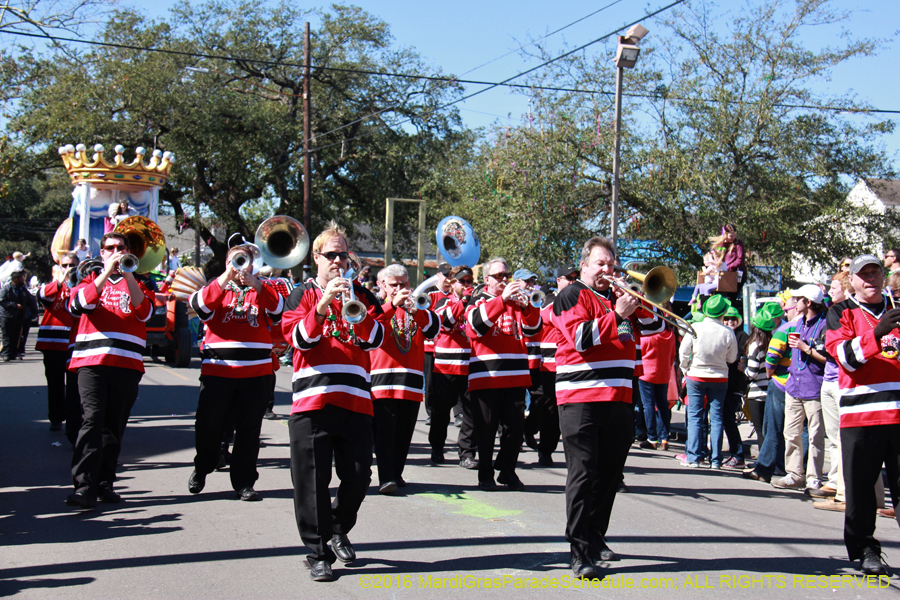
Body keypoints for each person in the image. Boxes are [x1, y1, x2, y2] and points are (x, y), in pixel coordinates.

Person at [280, 221, 385, 582]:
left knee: (358, 478)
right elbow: (298, 338)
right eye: (332, 255)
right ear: (317, 258)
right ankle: (317, 552)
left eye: (343, 255)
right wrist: (324, 305)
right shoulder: (300, 294)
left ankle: (338, 527)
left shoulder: (362, 295)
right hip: (313, 402)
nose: (338, 261)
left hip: (356, 400)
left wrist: (352, 300)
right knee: (311, 482)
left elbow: (375, 339)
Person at [552, 236, 662, 579]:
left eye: (611, 264)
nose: (607, 270)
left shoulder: (619, 299)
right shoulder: (572, 294)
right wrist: (617, 313)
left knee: (609, 475)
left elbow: (658, 328)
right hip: (581, 397)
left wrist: (642, 303)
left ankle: (596, 536)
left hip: (619, 397)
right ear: (584, 265)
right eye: (600, 264)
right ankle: (579, 550)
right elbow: (581, 339)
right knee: (583, 474)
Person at [187, 239, 284, 501]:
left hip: (256, 374)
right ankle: (202, 467)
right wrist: (225, 277)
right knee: (208, 426)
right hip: (218, 372)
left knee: (249, 431)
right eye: (237, 259)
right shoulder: (216, 287)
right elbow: (200, 307)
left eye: (248, 260)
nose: (242, 265)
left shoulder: (265, 289)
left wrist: (257, 285)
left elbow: (278, 312)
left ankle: (244, 482)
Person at [66, 231, 155, 509]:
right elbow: (80, 305)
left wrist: (128, 275)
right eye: (110, 248)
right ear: (102, 252)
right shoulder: (87, 281)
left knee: (114, 427)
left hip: (127, 364)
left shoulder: (139, 283)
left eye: (121, 248)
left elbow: (145, 313)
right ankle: (84, 487)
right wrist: (105, 274)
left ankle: (105, 484)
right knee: (92, 421)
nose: (116, 251)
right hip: (92, 363)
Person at [825, 254, 900, 576]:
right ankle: (866, 549)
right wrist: (877, 334)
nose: (870, 279)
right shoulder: (840, 312)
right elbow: (845, 358)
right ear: (852, 281)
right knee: (860, 491)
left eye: (875, 273)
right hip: (862, 416)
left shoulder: (896, 306)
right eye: (863, 275)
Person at [466, 257, 542, 491]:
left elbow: (534, 330)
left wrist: (528, 306)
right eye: (498, 276)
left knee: (515, 429)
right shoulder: (477, 300)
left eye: (506, 276)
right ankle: (485, 474)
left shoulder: (518, 303)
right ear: (486, 279)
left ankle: (507, 471)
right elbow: (475, 327)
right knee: (486, 429)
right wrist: (501, 300)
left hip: (516, 375)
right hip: (486, 376)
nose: (504, 280)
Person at [370, 264, 440, 494]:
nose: (399, 288)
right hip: (382, 380)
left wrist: (414, 311)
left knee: (404, 433)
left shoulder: (416, 307)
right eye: (393, 285)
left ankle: (396, 473)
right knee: (385, 433)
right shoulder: (376, 306)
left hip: (410, 380)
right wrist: (393, 305)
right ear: (382, 285)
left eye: (403, 284)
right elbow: (369, 329)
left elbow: (434, 328)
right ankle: (386, 476)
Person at [525, 265, 578, 465]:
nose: (572, 281)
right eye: (568, 278)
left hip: (572, 366)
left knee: (566, 413)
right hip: (549, 367)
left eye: (575, 278)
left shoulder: (581, 301)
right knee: (548, 411)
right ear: (558, 280)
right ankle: (545, 450)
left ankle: (559, 451)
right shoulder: (549, 303)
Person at [679, 295, 738, 469]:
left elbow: (683, 353)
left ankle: (694, 457)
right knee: (717, 418)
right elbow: (732, 358)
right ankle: (716, 459)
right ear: (723, 313)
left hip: (696, 375)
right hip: (720, 377)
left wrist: (685, 369)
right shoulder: (728, 332)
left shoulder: (695, 327)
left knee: (695, 416)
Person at [430, 266, 476, 468]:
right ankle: (437, 448)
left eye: (469, 282)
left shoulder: (476, 304)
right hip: (446, 367)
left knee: (472, 413)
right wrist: (464, 301)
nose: (466, 285)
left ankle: (466, 453)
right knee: (441, 413)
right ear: (452, 282)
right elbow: (446, 323)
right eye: (462, 281)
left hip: (470, 366)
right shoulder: (443, 302)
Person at [36, 253, 79, 430]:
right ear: (59, 267)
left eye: (72, 265)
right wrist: (60, 281)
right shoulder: (53, 287)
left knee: (74, 387)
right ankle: (55, 418)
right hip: (52, 344)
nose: (68, 269)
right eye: (65, 265)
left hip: (73, 346)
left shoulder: (82, 287)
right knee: (54, 383)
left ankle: (73, 420)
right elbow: (43, 297)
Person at [721, 306, 749, 467]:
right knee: (725, 419)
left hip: (734, 385)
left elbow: (736, 359)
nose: (730, 321)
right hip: (724, 383)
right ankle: (732, 453)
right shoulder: (724, 333)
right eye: (726, 318)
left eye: (733, 319)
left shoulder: (742, 336)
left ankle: (738, 455)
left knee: (729, 419)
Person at [0, 271, 28, 361]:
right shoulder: (6, 288)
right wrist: (14, 305)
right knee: (7, 335)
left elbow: (29, 298)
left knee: (16, 335)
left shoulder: (22, 288)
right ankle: (5, 354)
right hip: (7, 316)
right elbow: (2, 301)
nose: (23, 279)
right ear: (16, 279)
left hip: (18, 316)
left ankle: (13, 353)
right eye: (21, 278)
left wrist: (33, 311)